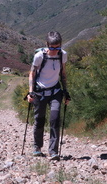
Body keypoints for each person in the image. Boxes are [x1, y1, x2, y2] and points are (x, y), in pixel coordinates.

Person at [27, 31, 70, 160]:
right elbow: (32, 74)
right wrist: (30, 91)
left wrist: (66, 91)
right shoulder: (39, 56)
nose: (54, 50)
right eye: (52, 48)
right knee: (39, 120)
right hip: (40, 92)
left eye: (57, 47)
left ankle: (53, 151)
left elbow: (63, 73)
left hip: (55, 92)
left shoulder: (63, 55)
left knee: (55, 120)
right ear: (47, 45)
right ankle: (37, 147)